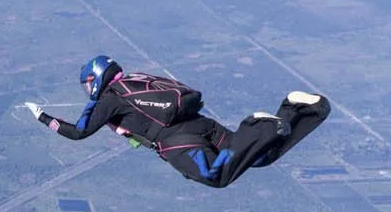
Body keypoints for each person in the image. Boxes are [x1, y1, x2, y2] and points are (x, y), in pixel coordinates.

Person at [26, 55, 330, 189]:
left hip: (177, 143)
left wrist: (43, 117)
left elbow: (78, 132)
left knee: (215, 176)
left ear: (95, 77)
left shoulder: (109, 98)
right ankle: (295, 109)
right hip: (199, 124)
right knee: (261, 156)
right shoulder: (134, 80)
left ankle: (256, 125)